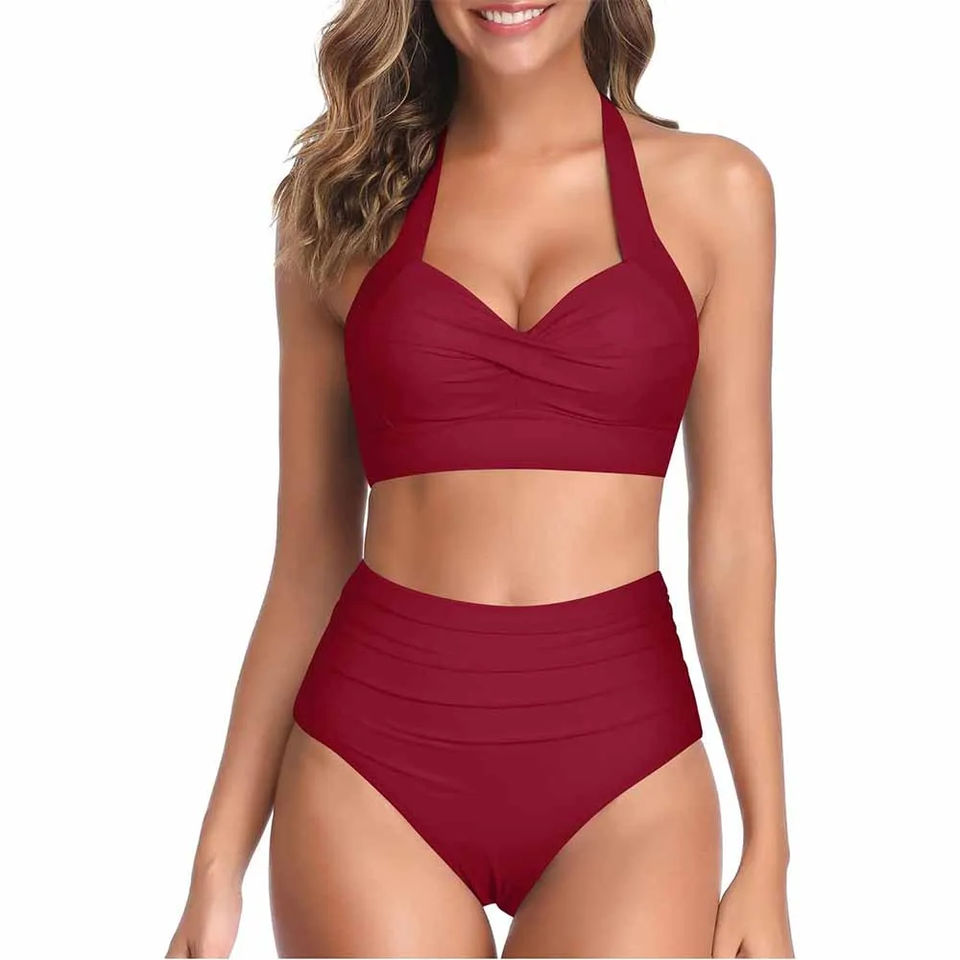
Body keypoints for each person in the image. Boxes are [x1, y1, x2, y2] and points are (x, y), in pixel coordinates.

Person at [167, 1, 792, 956]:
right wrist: (217, 865)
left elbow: (736, 538)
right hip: (371, 771)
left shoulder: (717, 191)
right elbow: (307, 561)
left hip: (628, 777)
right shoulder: (340, 209)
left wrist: (768, 849)